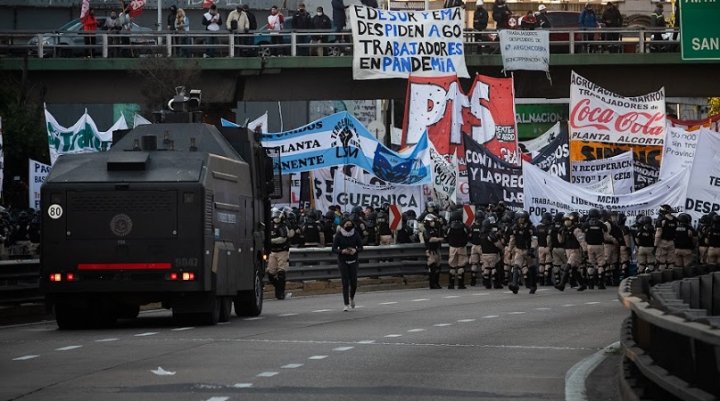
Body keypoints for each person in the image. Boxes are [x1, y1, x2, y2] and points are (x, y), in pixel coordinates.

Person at [332, 218, 363, 311]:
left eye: (350, 225)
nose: (348, 226)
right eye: (346, 225)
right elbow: (333, 249)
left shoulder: (356, 234)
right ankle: (346, 303)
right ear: (343, 225)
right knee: (345, 282)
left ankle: (351, 297)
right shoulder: (339, 235)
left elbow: (361, 247)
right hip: (343, 261)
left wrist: (355, 250)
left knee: (354, 282)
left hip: (353, 260)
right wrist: (342, 251)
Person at [555, 213, 587, 292]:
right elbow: (561, 241)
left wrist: (585, 250)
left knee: (568, 267)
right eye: (565, 220)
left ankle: (562, 284)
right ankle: (583, 284)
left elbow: (582, 240)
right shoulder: (564, 230)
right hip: (567, 251)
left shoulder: (576, 230)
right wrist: (559, 233)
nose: (566, 222)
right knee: (574, 270)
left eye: (568, 220)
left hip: (575, 251)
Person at [268, 208, 294, 300]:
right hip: (272, 251)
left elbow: (283, 238)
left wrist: (271, 241)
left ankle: (280, 293)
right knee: (270, 273)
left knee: (281, 272)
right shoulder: (270, 226)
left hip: (282, 251)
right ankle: (278, 288)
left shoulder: (284, 226)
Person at [508, 211, 537, 294]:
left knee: (531, 268)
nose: (520, 220)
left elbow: (534, 239)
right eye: (519, 218)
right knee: (516, 266)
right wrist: (509, 250)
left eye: (522, 218)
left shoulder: (531, 228)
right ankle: (514, 285)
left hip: (528, 250)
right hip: (519, 250)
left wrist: (532, 248)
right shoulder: (515, 228)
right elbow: (512, 240)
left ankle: (533, 285)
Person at [445, 209, 469, 289]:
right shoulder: (464, 226)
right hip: (462, 247)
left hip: (452, 247)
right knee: (461, 266)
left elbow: (445, 235)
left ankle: (451, 284)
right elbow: (468, 234)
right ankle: (460, 284)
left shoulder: (449, 227)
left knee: (452, 266)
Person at [422, 214, 444, 289]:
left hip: (436, 249)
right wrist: (439, 239)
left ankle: (436, 283)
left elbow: (441, 234)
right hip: (430, 250)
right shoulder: (426, 230)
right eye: (431, 221)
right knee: (432, 267)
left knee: (438, 267)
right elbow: (430, 239)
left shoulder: (435, 229)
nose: (433, 223)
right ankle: (432, 284)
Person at [654, 205, 677, 270]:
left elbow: (658, 233)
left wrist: (655, 245)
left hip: (662, 242)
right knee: (671, 262)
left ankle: (663, 278)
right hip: (672, 242)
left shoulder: (662, 220)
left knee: (661, 262)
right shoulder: (675, 219)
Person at [536, 212, 553, 286]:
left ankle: (541, 280)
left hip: (540, 247)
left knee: (541, 264)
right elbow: (549, 239)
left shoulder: (538, 227)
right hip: (547, 247)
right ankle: (547, 280)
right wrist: (549, 247)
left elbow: (535, 238)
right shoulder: (550, 227)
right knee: (548, 263)